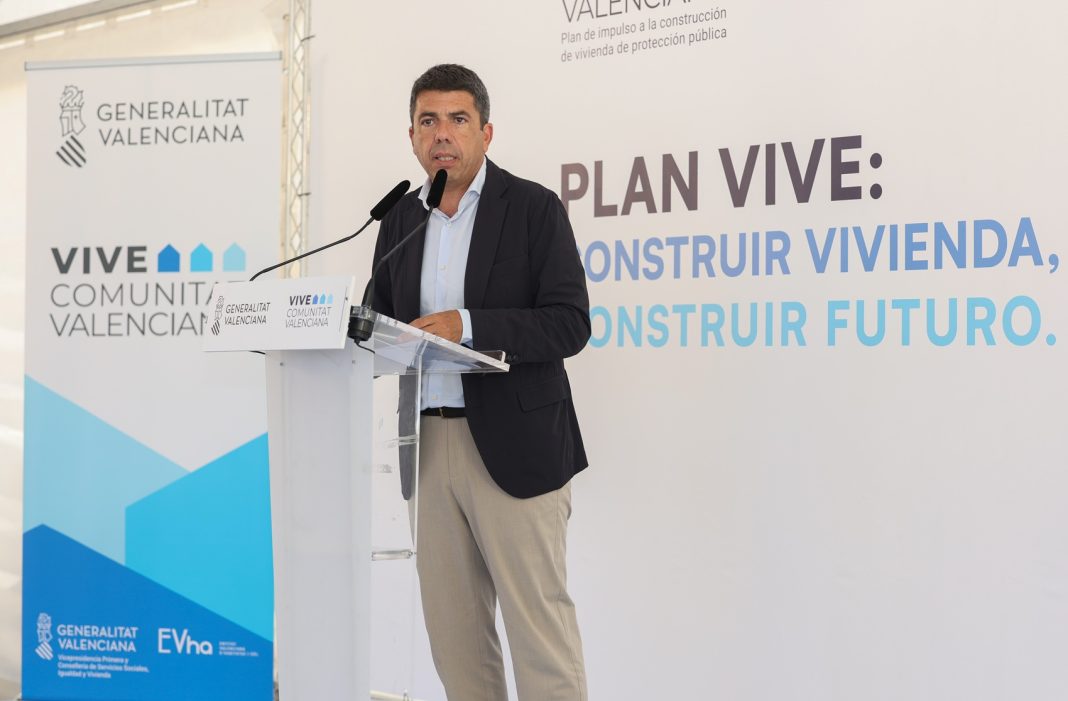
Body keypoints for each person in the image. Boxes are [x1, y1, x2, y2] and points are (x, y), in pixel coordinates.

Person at [369, 63, 591, 701]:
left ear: (486, 132)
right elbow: (380, 320)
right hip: (426, 446)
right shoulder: (399, 219)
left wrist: (465, 324)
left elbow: (569, 323)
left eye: (458, 119)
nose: (442, 134)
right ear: (412, 136)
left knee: (539, 635)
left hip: (514, 447)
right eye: (428, 121)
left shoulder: (532, 208)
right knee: (456, 641)